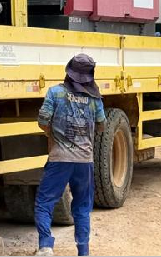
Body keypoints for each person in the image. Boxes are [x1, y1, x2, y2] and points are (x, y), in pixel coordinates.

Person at [35, 54, 106, 256]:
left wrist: (53, 134)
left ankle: (46, 246)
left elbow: (42, 121)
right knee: (82, 207)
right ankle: (83, 252)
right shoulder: (95, 98)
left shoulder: (55, 92)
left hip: (59, 159)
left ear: (68, 71)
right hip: (85, 161)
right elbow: (101, 126)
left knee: (44, 203)